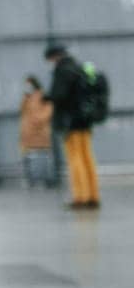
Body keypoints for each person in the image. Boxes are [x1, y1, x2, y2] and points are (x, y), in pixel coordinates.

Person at [47, 42, 102, 209]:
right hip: (85, 120)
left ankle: (81, 197)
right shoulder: (78, 68)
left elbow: (59, 95)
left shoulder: (62, 71)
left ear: (54, 57)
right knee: (87, 158)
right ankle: (93, 195)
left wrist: (48, 97)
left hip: (70, 122)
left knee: (75, 159)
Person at [19, 76, 55, 189]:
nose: (27, 87)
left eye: (29, 84)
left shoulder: (43, 96)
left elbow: (49, 110)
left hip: (40, 132)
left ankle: (48, 180)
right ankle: (30, 180)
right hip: (27, 134)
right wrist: (25, 97)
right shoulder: (26, 98)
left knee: (45, 156)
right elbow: (22, 111)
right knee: (27, 157)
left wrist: (38, 120)